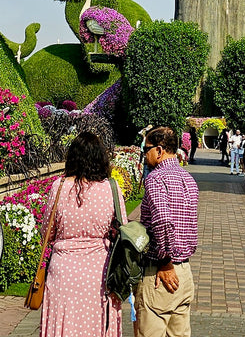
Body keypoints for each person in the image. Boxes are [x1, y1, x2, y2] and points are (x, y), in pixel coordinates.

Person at [39, 131, 121, 337]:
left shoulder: (59, 187)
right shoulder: (110, 189)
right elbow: (121, 229)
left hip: (63, 273)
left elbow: (47, 233)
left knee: (64, 325)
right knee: (95, 325)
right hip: (99, 272)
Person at [136, 126, 199, 337]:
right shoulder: (188, 179)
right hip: (184, 273)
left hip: (161, 273)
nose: (144, 155)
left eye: (147, 150)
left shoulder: (155, 178)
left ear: (160, 150)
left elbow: (163, 220)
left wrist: (165, 261)